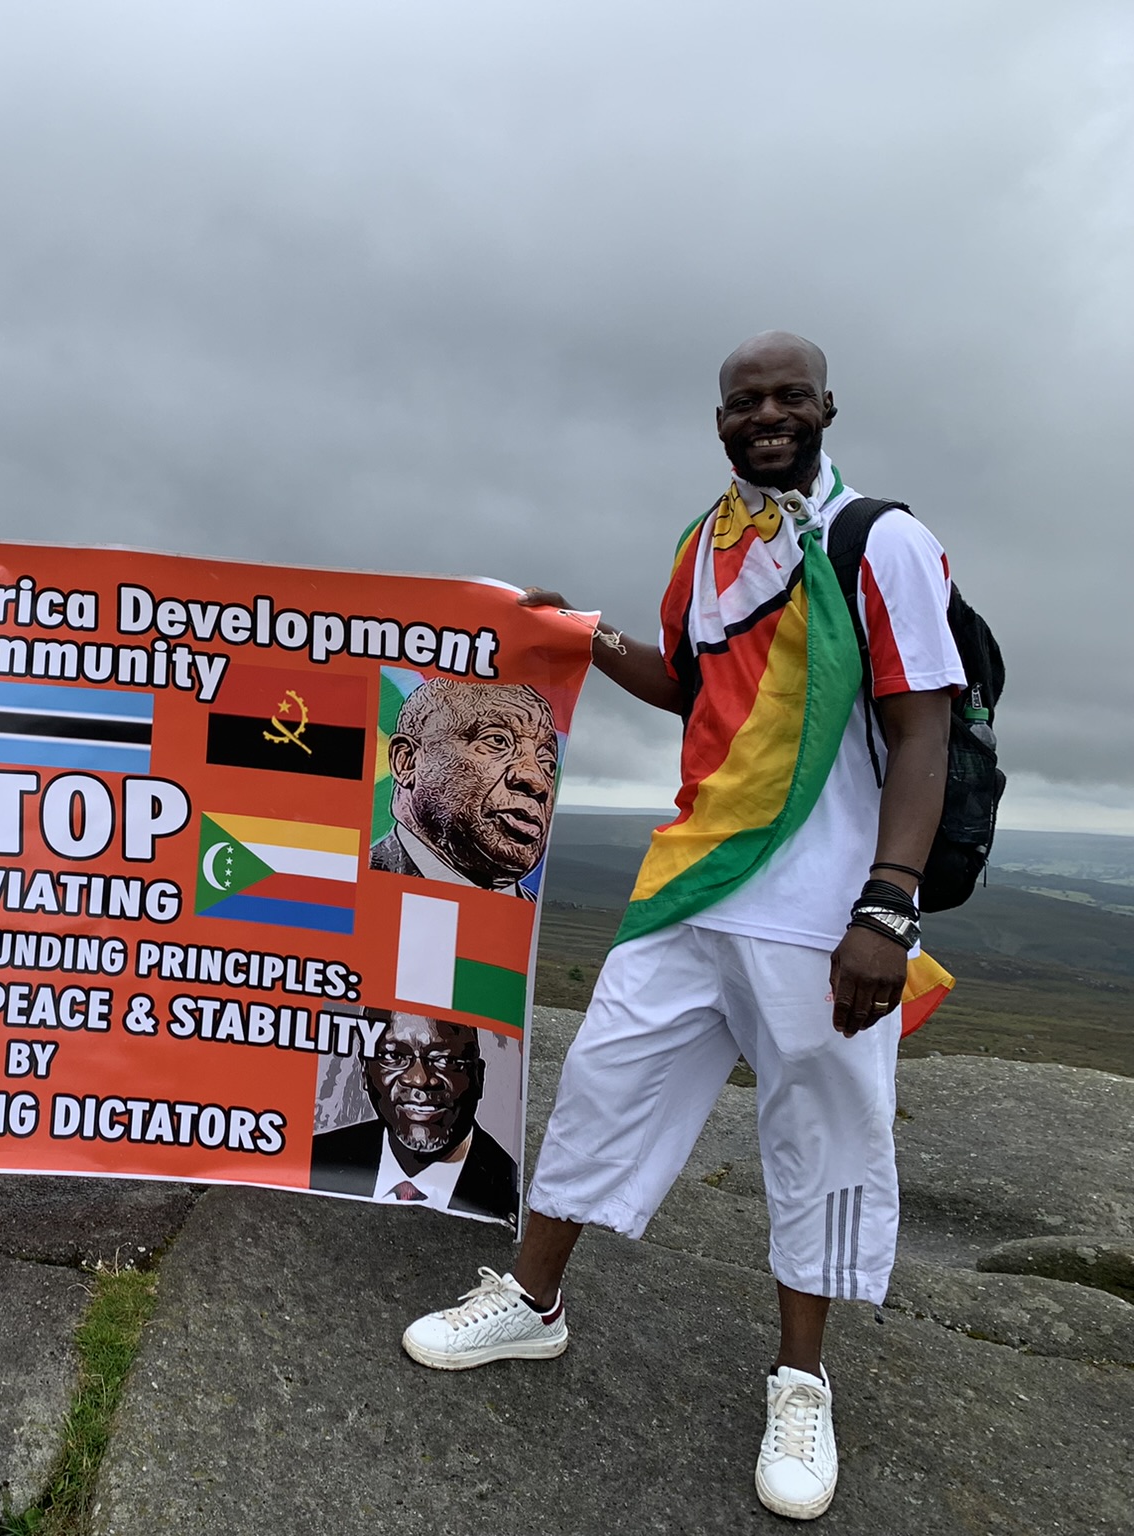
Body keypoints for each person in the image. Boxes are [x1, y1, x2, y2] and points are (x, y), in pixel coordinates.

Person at [399, 332, 960, 1521]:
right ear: (718, 419)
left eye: (787, 396)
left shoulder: (879, 542)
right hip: (693, 881)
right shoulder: (703, 547)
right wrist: (586, 644)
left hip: (824, 906)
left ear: (824, 407)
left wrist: (887, 905)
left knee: (818, 1134)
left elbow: (921, 729)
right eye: (743, 400)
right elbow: (698, 690)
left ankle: (799, 1380)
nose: (765, 414)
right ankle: (532, 1306)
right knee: (602, 1082)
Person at [309, 1013, 516, 1222]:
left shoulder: (512, 1194)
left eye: (445, 1059)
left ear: (478, 1077)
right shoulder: (315, 1163)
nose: (420, 1079)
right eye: (394, 1057)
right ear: (365, 1071)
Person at [369, 679, 556, 896]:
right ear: (407, 761)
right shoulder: (346, 886)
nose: (537, 781)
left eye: (548, 762)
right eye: (497, 740)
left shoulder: (534, 920)